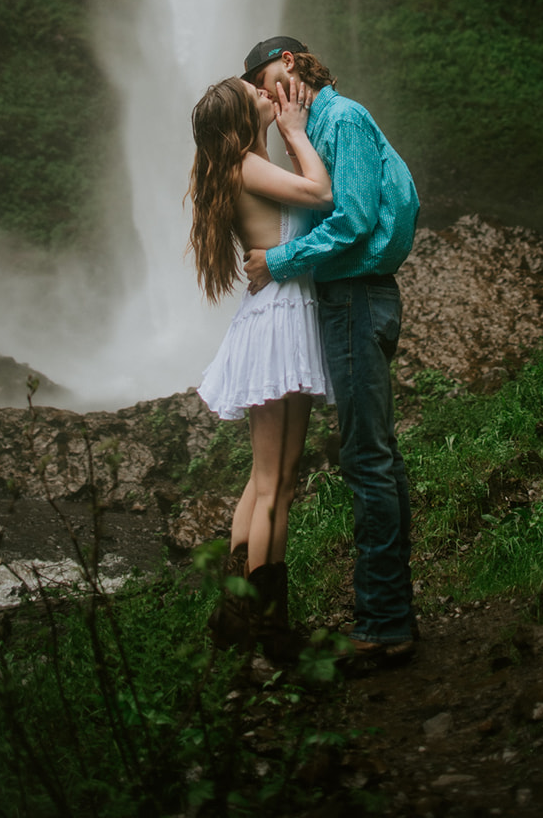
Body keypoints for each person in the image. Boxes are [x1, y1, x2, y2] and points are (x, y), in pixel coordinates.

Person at [241, 36, 420, 665]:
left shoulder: (340, 118)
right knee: (377, 455)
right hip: (351, 297)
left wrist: (277, 262)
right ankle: (390, 614)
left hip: (355, 296)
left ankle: (384, 626)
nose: (263, 94)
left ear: (290, 63)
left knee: (366, 458)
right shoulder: (314, 128)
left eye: (263, 78)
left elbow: (353, 220)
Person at [189, 73, 336, 659]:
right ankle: (269, 626)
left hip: (272, 314)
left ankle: (235, 612)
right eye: (256, 98)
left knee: (267, 473)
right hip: (279, 317)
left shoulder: (243, 166)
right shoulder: (247, 168)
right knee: (278, 480)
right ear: (241, 121)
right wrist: (298, 132)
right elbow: (321, 195)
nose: (267, 95)